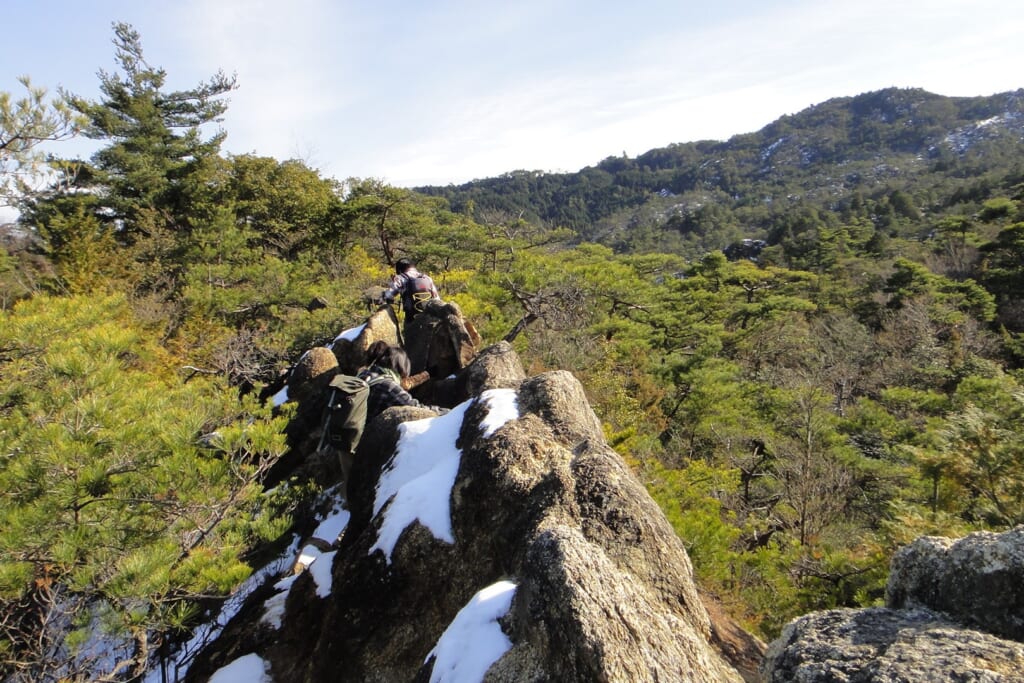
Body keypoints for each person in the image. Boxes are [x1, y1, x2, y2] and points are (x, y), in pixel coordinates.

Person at [359, 341, 448, 420]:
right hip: (367, 435)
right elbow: (416, 409)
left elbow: (404, 384)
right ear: (400, 366)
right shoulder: (388, 385)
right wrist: (447, 412)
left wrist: (427, 374)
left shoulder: (364, 375)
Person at [383, 258, 440, 329]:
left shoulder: (401, 278)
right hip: (429, 316)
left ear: (399, 269)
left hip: (411, 318)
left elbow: (388, 295)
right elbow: (437, 299)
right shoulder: (427, 278)